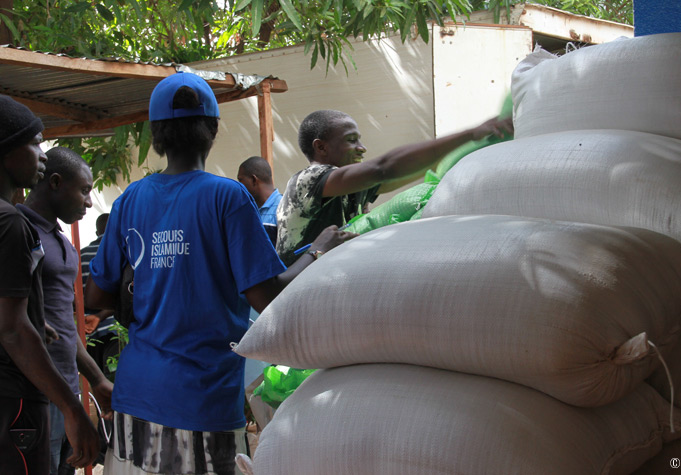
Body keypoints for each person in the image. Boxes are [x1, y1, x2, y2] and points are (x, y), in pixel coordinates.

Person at [84, 72, 353, 475]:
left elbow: (96, 299)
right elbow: (267, 298)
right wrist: (318, 251)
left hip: (136, 395)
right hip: (201, 400)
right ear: (212, 129)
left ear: (155, 134)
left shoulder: (129, 201)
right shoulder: (226, 196)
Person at [0, 95, 99, 474]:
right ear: (7, 152)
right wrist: (72, 408)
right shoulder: (12, 224)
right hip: (21, 396)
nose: (42, 154)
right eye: (34, 143)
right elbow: (12, 329)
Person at [276, 109, 514, 265]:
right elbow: (384, 168)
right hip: (295, 282)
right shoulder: (307, 180)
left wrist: (483, 144)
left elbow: (412, 170)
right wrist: (470, 134)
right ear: (321, 148)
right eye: (351, 140)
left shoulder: (351, 188)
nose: (362, 147)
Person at [18, 146, 113, 475]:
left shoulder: (61, 241)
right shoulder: (19, 231)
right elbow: (16, 326)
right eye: (85, 190)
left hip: (65, 391)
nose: (89, 201)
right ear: (55, 182)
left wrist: (96, 379)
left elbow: (62, 326)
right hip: (31, 395)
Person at [237, 156, 282, 246]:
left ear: (254, 180)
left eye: (240, 180)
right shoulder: (246, 210)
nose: (238, 186)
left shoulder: (283, 208)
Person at [80, 213, 112, 335]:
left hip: (86, 327)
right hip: (112, 327)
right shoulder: (118, 252)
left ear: (96, 233)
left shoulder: (80, 254)